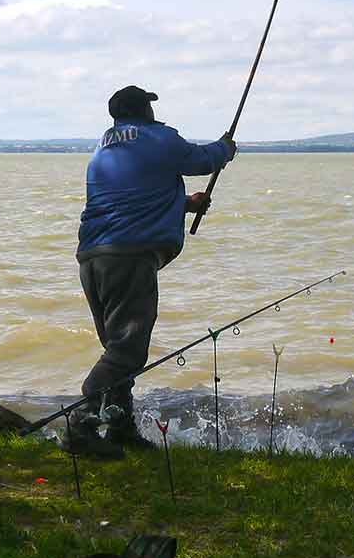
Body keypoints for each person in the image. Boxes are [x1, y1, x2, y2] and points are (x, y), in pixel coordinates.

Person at [64, 85, 236, 459]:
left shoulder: (105, 149)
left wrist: (183, 204)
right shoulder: (158, 137)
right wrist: (225, 148)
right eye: (150, 107)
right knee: (126, 353)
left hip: (94, 258)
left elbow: (130, 201)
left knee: (117, 348)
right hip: (130, 259)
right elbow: (201, 160)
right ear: (143, 111)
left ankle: (119, 427)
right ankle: (80, 423)